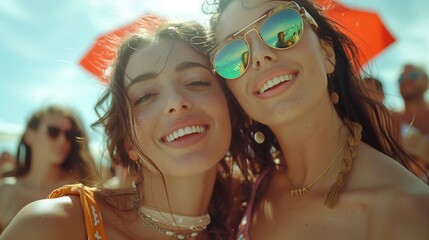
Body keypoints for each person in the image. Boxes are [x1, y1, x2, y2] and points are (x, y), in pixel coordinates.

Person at [207, 0, 429, 239]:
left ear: (327, 53)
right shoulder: (246, 193)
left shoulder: (408, 211)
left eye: (281, 26)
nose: (260, 56)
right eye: (231, 55)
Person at [0, 20, 239, 240]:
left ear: (230, 104)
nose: (175, 101)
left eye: (196, 81)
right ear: (129, 144)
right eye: (145, 96)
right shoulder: (54, 225)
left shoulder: (246, 223)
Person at [0, 105, 98, 233]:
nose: (63, 140)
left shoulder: (76, 191)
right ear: (29, 136)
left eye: (69, 135)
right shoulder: (5, 191)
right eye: (53, 131)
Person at [393, 64, 429, 181]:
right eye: (401, 78)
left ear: (426, 82)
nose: (406, 80)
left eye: (413, 75)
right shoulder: (391, 121)